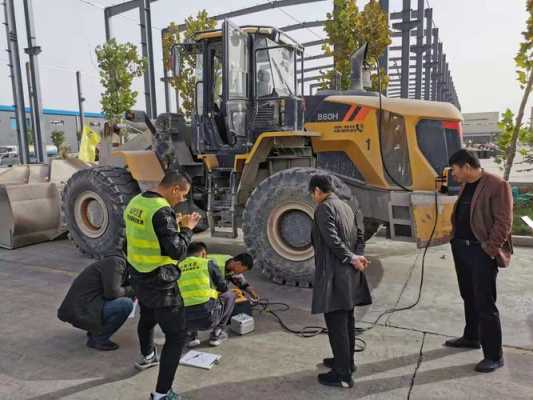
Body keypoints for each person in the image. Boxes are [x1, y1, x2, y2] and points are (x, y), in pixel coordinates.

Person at [125, 170, 201, 400]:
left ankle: (147, 355)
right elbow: (176, 250)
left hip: (139, 275)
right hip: (161, 283)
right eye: (182, 195)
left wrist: (172, 227)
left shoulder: (136, 202)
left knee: (147, 319)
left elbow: (141, 235)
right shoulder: (162, 210)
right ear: (174, 188)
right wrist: (187, 228)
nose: (182, 200)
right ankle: (161, 394)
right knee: (177, 336)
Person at [445, 149, 513, 373]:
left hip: (480, 252)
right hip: (462, 249)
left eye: (454, 169)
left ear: (466, 166)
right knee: (469, 296)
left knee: (485, 303)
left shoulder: (496, 185)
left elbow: (503, 222)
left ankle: (494, 355)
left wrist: (488, 250)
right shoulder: (467, 184)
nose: (452, 174)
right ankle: (472, 336)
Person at [309, 173, 371, 389]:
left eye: (313, 194)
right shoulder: (347, 206)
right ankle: (347, 362)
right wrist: (358, 256)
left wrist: (351, 257)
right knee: (347, 320)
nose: (313, 197)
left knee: (336, 323)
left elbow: (331, 239)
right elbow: (361, 235)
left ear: (318, 191)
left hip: (334, 274)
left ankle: (342, 375)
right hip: (350, 274)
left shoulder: (323, 208)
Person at [57, 255, 134, 351]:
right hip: (79, 310)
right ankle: (98, 339)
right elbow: (113, 293)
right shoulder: (116, 263)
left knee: (125, 299)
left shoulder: (117, 262)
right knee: (125, 304)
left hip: (84, 307)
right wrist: (135, 289)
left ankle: (94, 330)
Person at [178, 242, 236, 347]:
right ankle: (216, 334)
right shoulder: (207, 263)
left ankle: (191, 336)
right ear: (204, 254)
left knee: (184, 302)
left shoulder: (178, 266)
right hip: (209, 319)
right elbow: (223, 287)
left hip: (185, 321)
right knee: (230, 296)